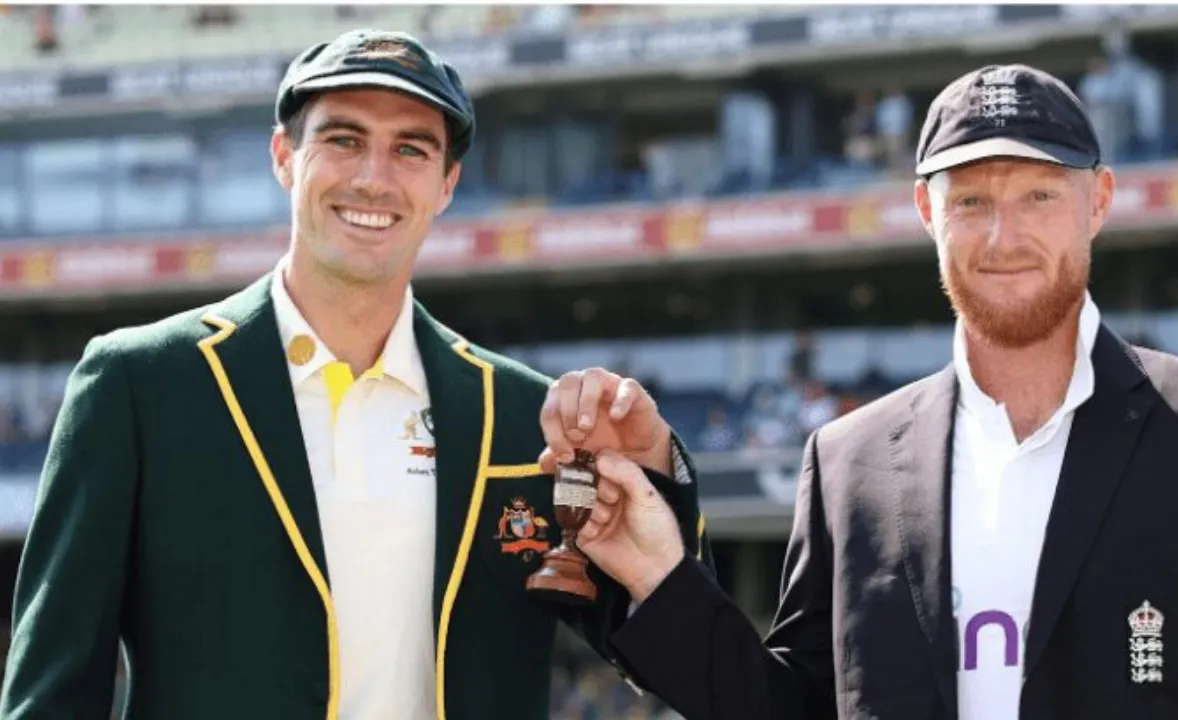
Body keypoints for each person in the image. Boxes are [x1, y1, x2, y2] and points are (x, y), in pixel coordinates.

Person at [0, 29, 711, 720]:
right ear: (284, 156)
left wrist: (656, 470)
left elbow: (677, 658)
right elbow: (52, 693)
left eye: (411, 149)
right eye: (344, 140)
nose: (374, 178)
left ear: (446, 184)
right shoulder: (140, 384)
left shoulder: (523, 418)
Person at [570, 64, 1178, 720]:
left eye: (1039, 196)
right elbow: (793, 709)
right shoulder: (848, 462)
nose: (1004, 237)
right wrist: (659, 576)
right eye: (971, 200)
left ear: (1098, 201)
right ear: (925, 210)